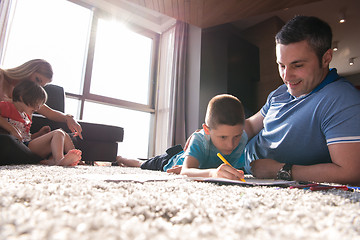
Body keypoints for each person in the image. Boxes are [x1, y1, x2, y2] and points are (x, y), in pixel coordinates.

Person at [243, 16, 360, 185]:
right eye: (281, 65)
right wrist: (211, 136)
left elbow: (352, 172)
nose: (286, 76)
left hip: (255, 175)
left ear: (326, 58)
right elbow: (252, 125)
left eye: (298, 65)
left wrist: (278, 170)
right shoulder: (280, 92)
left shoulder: (341, 99)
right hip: (231, 157)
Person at [116, 94, 248, 180]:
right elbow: (186, 171)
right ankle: (120, 158)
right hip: (170, 160)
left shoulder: (243, 139)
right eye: (223, 137)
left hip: (192, 163)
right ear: (206, 130)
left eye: (236, 136)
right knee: (142, 164)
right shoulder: (200, 140)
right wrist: (211, 173)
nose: (231, 145)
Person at [0, 59, 83, 164]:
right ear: (29, 70)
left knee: (64, 135)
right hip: (6, 137)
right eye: (37, 79)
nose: (36, 85)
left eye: (41, 85)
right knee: (9, 141)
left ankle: (63, 160)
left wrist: (68, 118)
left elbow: (49, 112)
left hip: (22, 142)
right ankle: (54, 160)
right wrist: (13, 130)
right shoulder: (2, 77)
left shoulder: (29, 97)